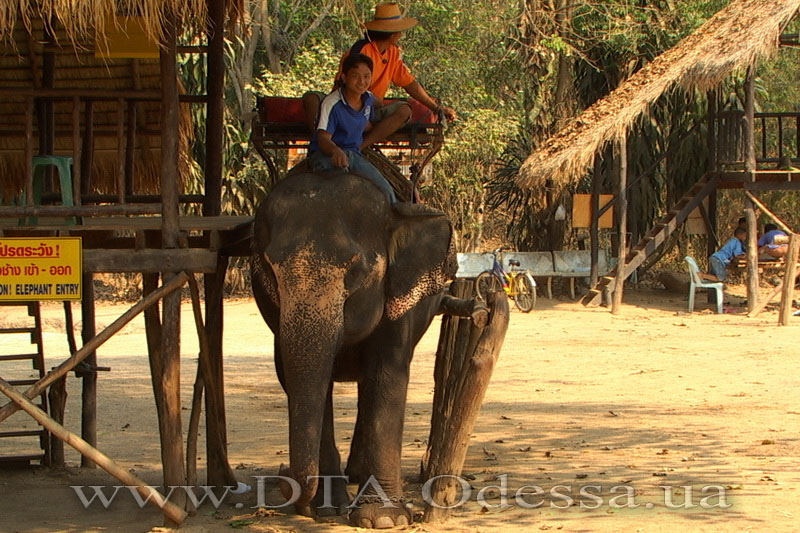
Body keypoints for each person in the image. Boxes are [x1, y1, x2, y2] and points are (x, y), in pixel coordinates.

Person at [303, 2, 456, 149]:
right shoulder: (362, 49)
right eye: (399, 31)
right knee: (311, 98)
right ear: (392, 34)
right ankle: (320, 143)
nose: (401, 35)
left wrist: (436, 108)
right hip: (348, 105)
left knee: (404, 110)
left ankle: (360, 147)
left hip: (373, 108)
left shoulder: (393, 53)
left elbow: (409, 83)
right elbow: (344, 87)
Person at [307, 53, 397, 205]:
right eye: (355, 76)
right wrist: (335, 151)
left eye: (366, 76)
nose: (362, 82)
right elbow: (323, 138)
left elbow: (369, 115)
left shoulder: (368, 99)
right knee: (344, 193)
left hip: (353, 155)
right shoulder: (331, 103)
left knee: (385, 192)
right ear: (344, 77)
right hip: (326, 156)